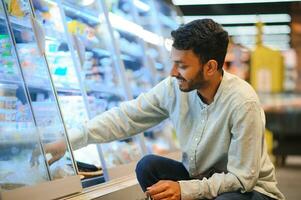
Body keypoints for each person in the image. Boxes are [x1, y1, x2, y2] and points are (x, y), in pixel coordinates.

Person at [34, 19, 285, 200]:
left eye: (182, 66)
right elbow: (127, 117)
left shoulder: (243, 103)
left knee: (228, 199)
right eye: (173, 63)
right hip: (202, 180)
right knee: (148, 166)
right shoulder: (174, 88)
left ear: (210, 67)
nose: (173, 73)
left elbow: (243, 179)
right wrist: (69, 140)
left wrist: (184, 190)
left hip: (250, 192)